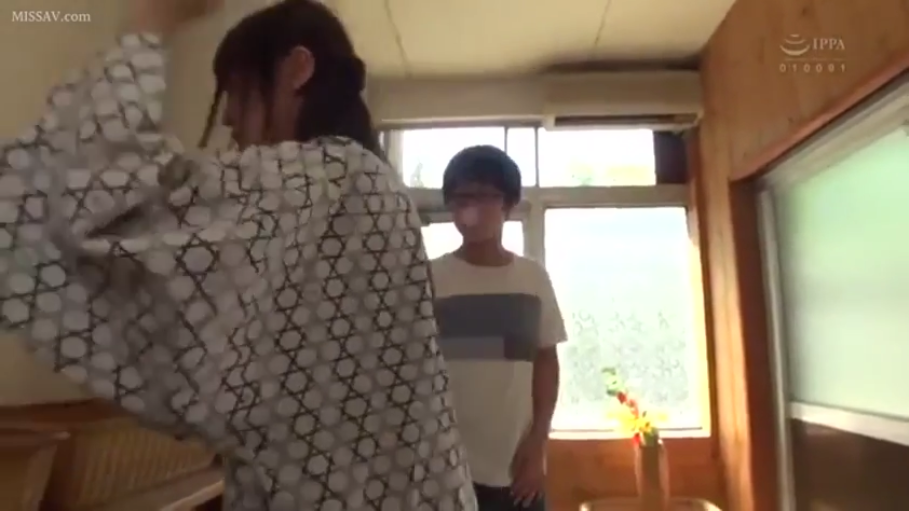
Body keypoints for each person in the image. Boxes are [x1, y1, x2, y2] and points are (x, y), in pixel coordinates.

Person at [0, 0, 476, 509]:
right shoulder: (369, 187)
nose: (230, 120)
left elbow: (97, 200)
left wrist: (150, 23)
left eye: (239, 95)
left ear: (297, 69)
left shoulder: (329, 180)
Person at [430, 146, 567, 511]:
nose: (471, 209)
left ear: (507, 204)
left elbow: (546, 362)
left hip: (515, 471)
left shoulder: (532, 278)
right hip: (443, 470)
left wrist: (538, 445)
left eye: (484, 196)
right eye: (461, 198)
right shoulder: (430, 278)